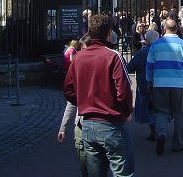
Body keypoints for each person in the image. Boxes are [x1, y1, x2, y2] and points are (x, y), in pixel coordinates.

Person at [63, 13, 134, 177]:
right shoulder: (113, 56)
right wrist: (126, 112)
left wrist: (82, 102)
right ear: (109, 32)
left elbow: (68, 89)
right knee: (123, 173)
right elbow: (123, 91)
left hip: (88, 123)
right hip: (111, 122)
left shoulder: (79, 57)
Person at [146, 18, 183, 155]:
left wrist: (149, 81)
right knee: (179, 113)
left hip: (160, 84)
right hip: (178, 85)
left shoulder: (155, 45)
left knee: (161, 112)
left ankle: (162, 134)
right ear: (177, 29)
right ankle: (177, 143)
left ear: (163, 29)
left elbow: (149, 66)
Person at [57, 34, 91, 177]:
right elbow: (71, 102)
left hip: (86, 122)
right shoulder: (109, 60)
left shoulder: (78, 67)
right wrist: (63, 127)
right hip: (96, 123)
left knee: (89, 163)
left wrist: (63, 128)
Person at [126, 29, 159, 141]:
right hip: (162, 84)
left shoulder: (141, 53)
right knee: (160, 109)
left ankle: (154, 131)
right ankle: (160, 130)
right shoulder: (162, 51)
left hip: (145, 85)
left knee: (149, 109)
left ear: (148, 40)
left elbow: (129, 68)